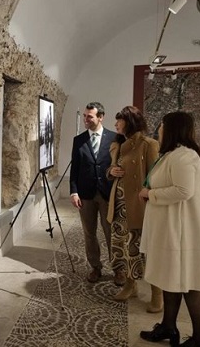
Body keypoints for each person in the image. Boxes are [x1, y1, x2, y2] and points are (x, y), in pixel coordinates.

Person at [139, 112, 200, 347]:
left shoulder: (184, 156)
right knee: (170, 280)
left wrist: (151, 194)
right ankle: (169, 326)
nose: (158, 129)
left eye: (161, 126)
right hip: (168, 230)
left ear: (172, 129)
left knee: (188, 284)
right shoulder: (171, 154)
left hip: (180, 234)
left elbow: (183, 191)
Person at [106, 106, 161, 311]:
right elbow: (109, 170)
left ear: (129, 122)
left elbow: (155, 177)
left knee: (144, 251)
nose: (115, 124)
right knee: (123, 250)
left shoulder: (149, 144)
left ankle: (157, 294)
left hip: (139, 206)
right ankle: (130, 285)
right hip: (119, 205)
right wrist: (112, 170)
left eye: (119, 121)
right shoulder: (118, 144)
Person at [69, 102, 119, 284]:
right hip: (85, 195)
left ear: (100, 117)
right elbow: (75, 169)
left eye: (89, 116)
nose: (86, 119)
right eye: (84, 116)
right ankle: (95, 267)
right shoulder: (79, 140)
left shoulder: (115, 139)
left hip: (108, 194)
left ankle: (118, 269)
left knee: (111, 233)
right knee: (89, 233)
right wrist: (74, 192)